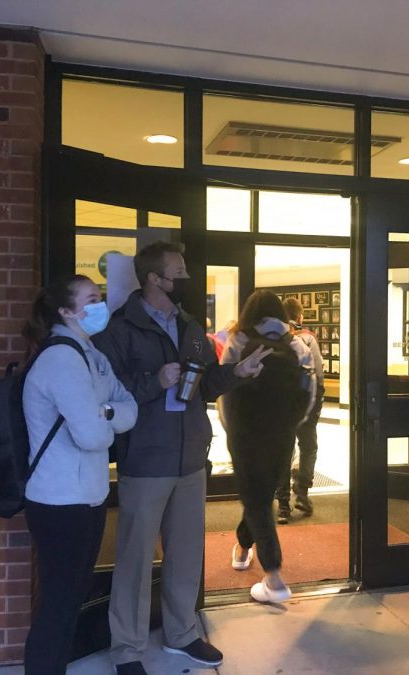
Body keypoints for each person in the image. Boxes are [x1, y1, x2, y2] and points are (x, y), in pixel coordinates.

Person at [92, 241, 270, 675]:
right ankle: (127, 649)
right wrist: (154, 380)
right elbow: (107, 392)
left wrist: (237, 374)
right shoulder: (120, 329)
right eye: (178, 272)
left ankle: (182, 633)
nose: (186, 279)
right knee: (134, 559)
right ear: (154, 279)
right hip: (146, 458)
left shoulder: (190, 325)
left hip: (191, 458)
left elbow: (205, 386)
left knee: (187, 554)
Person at [20, 274, 138, 675]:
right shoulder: (60, 358)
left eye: (100, 296)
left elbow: (129, 407)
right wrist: (105, 417)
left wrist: (100, 411)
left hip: (86, 496)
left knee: (69, 600)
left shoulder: (91, 354)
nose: (100, 304)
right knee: (58, 604)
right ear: (67, 311)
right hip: (60, 503)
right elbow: (90, 437)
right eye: (91, 298)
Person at [220, 290, 315, 603]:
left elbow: (225, 388)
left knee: (256, 498)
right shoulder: (296, 343)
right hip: (282, 433)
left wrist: (230, 427)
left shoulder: (238, 341)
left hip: (245, 433)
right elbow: (310, 390)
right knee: (261, 495)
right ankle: (243, 547)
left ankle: (273, 577)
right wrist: (292, 425)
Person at [275, 296, 325, 523]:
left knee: (284, 449)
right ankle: (302, 492)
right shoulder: (308, 338)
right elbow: (318, 374)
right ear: (300, 316)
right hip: (305, 402)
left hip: (282, 404)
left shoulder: (275, 338)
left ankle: (283, 505)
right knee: (308, 445)